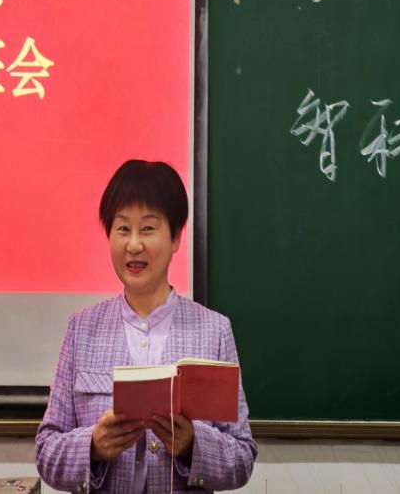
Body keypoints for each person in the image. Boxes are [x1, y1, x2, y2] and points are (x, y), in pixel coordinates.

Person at [35, 160, 256, 494]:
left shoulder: (214, 331)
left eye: (148, 229)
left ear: (176, 237)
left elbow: (242, 457)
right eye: (123, 229)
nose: (134, 245)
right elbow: (46, 451)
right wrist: (92, 446)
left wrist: (194, 444)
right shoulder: (82, 329)